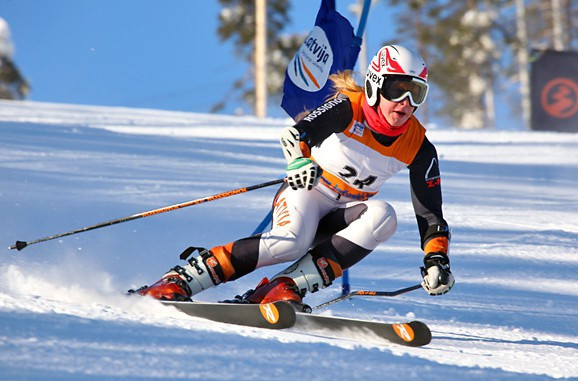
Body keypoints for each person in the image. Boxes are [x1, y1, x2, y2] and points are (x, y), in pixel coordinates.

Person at [131, 45, 455, 309]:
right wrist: (299, 162)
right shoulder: (348, 108)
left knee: (384, 217)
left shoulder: (418, 146)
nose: (405, 102)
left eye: (416, 92)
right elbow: (295, 135)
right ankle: (181, 279)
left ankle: (283, 288)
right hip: (309, 193)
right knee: (288, 243)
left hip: (342, 215)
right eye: (397, 89)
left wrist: (436, 258)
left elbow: (430, 215)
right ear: (374, 85)